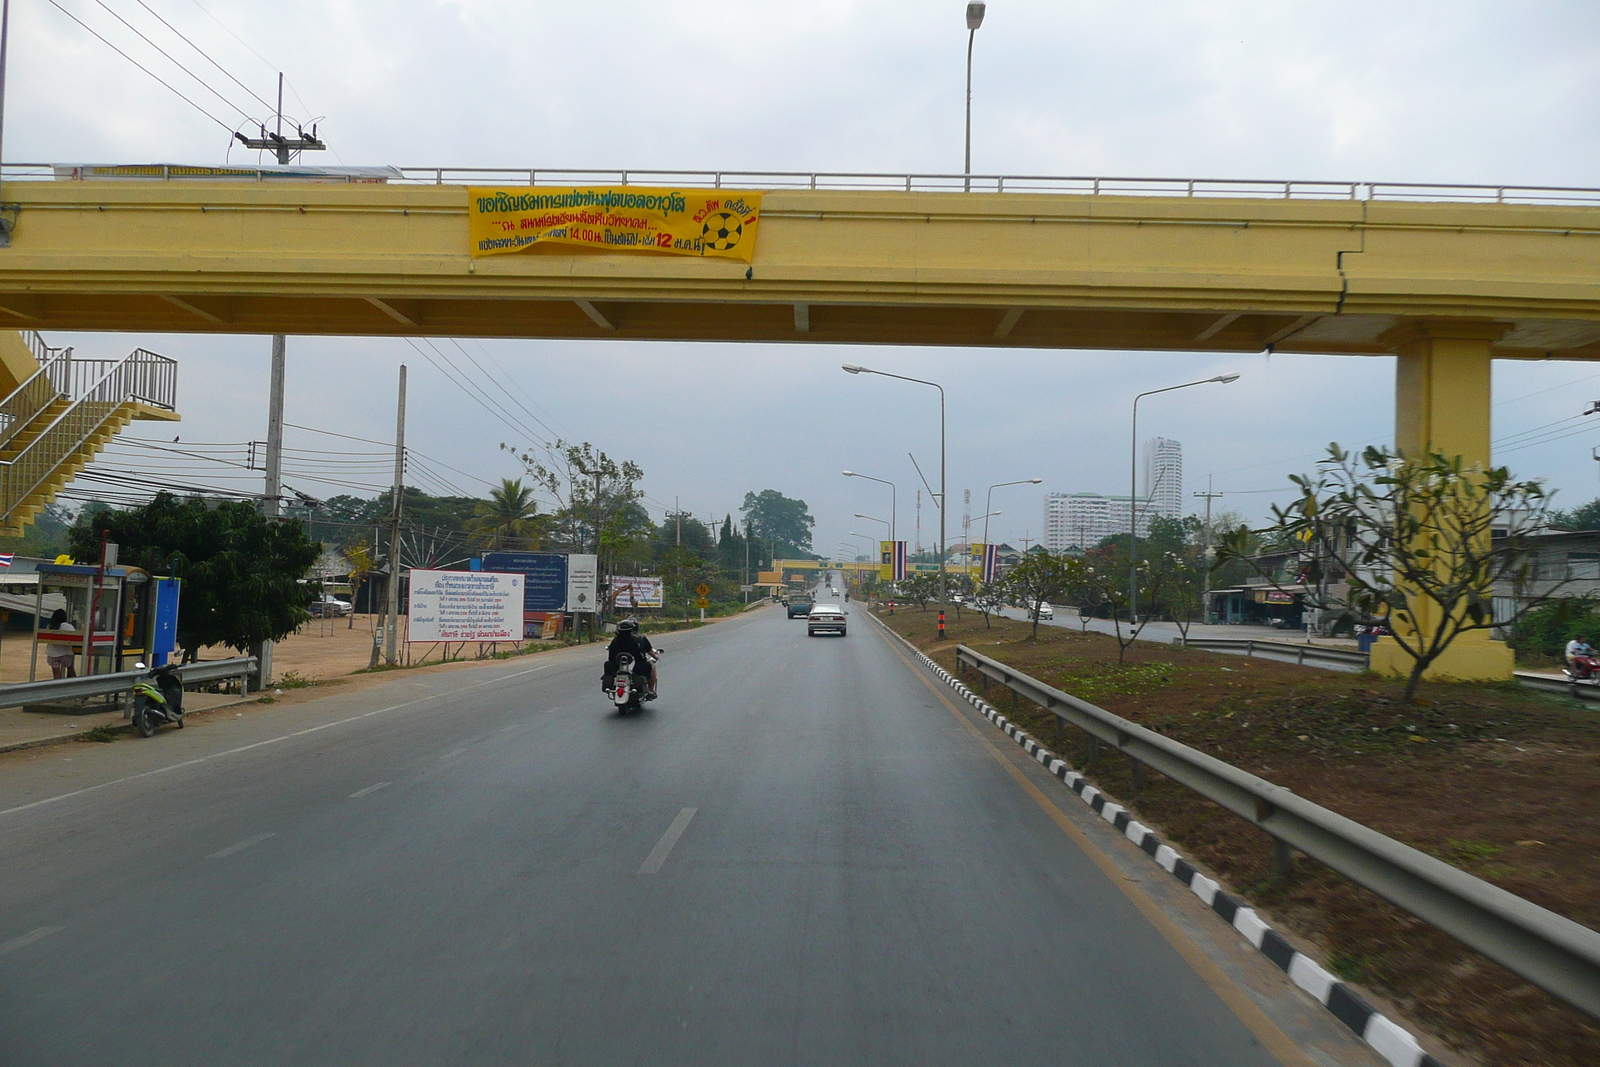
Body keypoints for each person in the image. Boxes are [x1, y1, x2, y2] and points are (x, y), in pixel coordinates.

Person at [605, 618, 658, 697]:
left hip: (616, 666)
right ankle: (650, 690)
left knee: (607, 664)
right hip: (638, 666)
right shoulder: (640, 638)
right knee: (652, 667)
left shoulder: (615, 640)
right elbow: (649, 650)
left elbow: (611, 656)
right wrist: (656, 656)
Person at [45, 608, 77, 679]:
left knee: (56, 674)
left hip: (53, 653)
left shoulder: (50, 626)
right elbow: (74, 638)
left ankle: (58, 687)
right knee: (71, 670)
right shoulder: (68, 626)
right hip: (66, 652)